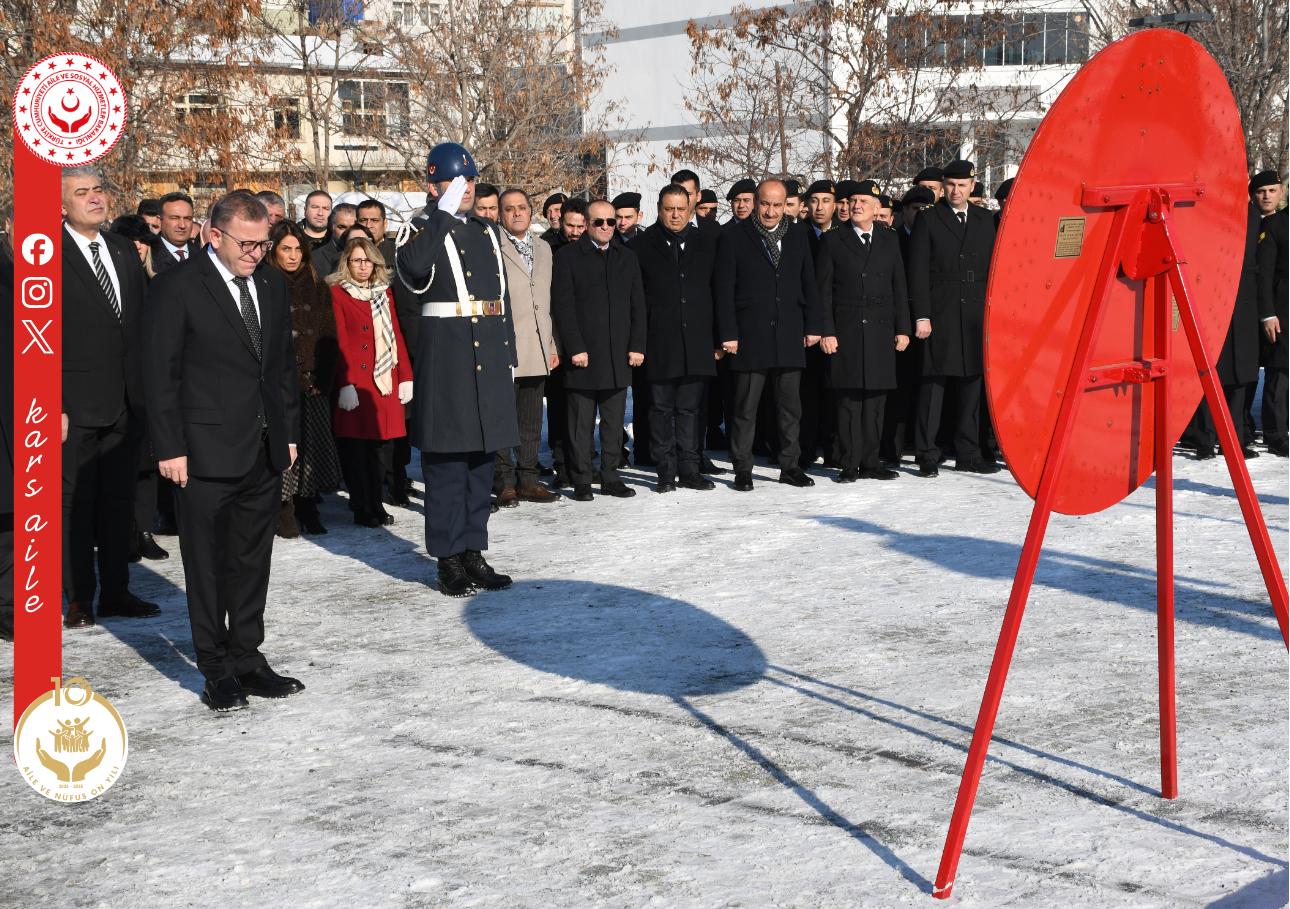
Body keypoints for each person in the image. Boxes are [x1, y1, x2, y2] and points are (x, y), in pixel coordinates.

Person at [145, 191, 304, 712]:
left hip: (263, 449)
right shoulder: (178, 286)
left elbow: (280, 366)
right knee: (208, 565)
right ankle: (215, 667)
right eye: (248, 244)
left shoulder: (271, 283)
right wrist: (170, 446)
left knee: (252, 561)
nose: (257, 253)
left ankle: (248, 657)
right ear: (214, 235)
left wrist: (288, 431)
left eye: (264, 243)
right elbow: (160, 374)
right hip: (202, 453)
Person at [395, 142, 519, 597]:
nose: (465, 189)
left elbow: (500, 300)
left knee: (480, 464)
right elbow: (412, 271)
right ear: (434, 185)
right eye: (455, 181)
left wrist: (508, 357)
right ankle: (447, 558)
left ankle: (472, 550)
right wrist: (441, 215)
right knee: (447, 464)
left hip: (485, 356)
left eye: (469, 180)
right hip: (447, 359)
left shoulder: (486, 232)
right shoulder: (419, 228)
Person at [61, 166, 160, 629]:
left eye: (99, 189)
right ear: (62, 205)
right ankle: (78, 596)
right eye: (82, 192)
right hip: (74, 405)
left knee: (119, 501)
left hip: (127, 401)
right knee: (76, 504)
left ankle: (117, 590)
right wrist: (54, 402)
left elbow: (139, 325)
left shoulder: (123, 249)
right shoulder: (46, 256)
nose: (95, 198)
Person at [715, 178, 824, 491]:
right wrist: (729, 333)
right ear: (755, 203)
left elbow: (809, 282)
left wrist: (813, 325)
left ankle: (790, 465)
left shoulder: (798, 235)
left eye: (778, 205)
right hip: (750, 335)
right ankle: (743, 469)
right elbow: (724, 290)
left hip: (789, 332)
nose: (771, 211)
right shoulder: (734, 236)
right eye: (765, 204)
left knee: (790, 407)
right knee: (745, 407)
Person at [551, 199, 647, 501]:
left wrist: (637, 346)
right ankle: (581, 478)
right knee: (580, 423)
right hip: (583, 355)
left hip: (618, 354)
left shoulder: (626, 257)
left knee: (614, 422)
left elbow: (637, 305)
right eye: (598, 222)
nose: (606, 227)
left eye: (610, 222)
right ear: (588, 224)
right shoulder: (567, 257)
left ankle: (610, 476)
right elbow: (563, 307)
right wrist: (575, 347)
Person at [908, 159, 999, 476]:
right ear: (943, 187)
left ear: (972, 186)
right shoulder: (929, 219)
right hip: (941, 310)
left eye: (962, 185)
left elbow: (995, 269)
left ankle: (968, 452)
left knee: (971, 383)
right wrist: (921, 315)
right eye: (950, 185)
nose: (956, 190)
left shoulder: (985, 219)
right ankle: (927, 453)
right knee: (934, 385)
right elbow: (917, 271)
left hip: (975, 311)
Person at [816, 179, 911, 481]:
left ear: (876, 209)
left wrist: (903, 328)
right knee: (849, 403)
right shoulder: (833, 240)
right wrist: (826, 331)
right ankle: (849, 463)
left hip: (881, 332)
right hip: (847, 332)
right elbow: (824, 292)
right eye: (853, 201)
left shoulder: (889, 238)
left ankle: (871, 461)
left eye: (864, 203)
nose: (856, 206)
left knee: (876, 403)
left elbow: (899, 286)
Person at [635, 184, 719, 492]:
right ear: (659, 209)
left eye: (681, 209)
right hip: (659, 342)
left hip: (697, 341)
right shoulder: (643, 245)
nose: (675, 214)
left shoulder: (707, 243)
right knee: (660, 410)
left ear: (691, 209)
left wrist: (719, 339)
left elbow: (718, 291)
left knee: (691, 410)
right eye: (669, 209)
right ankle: (665, 472)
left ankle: (690, 469)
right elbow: (636, 300)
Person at [329, 236, 413, 528]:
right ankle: (362, 506)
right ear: (347, 263)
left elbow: (397, 334)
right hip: (356, 382)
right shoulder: (338, 293)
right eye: (356, 261)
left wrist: (405, 376)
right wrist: (345, 383)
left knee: (382, 450)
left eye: (367, 260)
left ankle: (376, 502)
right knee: (357, 451)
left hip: (384, 380)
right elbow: (338, 341)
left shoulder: (384, 293)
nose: (363, 266)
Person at [266, 220, 342, 535]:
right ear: (274, 250)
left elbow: (328, 333)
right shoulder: (265, 283)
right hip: (280, 384)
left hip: (312, 382)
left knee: (311, 449)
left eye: (298, 249)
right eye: (286, 249)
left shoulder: (318, 285)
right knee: (283, 449)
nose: (293, 255)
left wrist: (323, 379)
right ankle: (284, 508)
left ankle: (309, 505)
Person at [108, 213, 168, 561]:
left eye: (144, 241)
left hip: (150, 387)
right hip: (115, 389)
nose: (139, 248)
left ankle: (144, 530)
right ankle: (124, 532)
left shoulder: (158, 284)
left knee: (147, 466)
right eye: (132, 241)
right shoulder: (110, 283)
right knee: (121, 467)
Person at [496, 187, 560, 505]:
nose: (517, 213)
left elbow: (546, 301)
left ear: (531, 211)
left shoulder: (544, 248)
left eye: (522, 207)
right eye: (510, 208)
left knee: (532, 418)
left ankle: (529, 478)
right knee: (503, 418)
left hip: (537, 345)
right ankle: (504, 481)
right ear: (500, 214)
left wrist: (551, 344)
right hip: (506, 345)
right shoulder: (493, 247)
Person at [358, 197, 414, 505]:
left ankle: (398, 478)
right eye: (363, 220)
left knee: (399, 424)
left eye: (374, 220)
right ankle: (375, 485)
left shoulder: (398, 254)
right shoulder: (351, 254)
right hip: (366, 352)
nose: (368, 226)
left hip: (397, 345)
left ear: (384, 224)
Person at [1255, 171, 1287, 456]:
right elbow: (1263, 275)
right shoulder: (1277, 225)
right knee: (1280, 373)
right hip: (1282, 312)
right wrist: (1268, 314)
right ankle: (1276, 435)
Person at [152, 191, 200, 274]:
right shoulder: (148, 257)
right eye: (175, 218)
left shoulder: (203, 256)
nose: (182, 225)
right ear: (159, 221)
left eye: (187, 218)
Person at [312, 202, 357, 278]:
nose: (348, 232)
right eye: (342, 227)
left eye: (354, 227)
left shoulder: (372, 254)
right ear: (331, 226)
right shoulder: (314, 259)